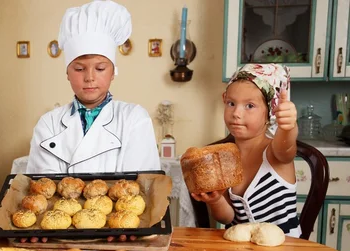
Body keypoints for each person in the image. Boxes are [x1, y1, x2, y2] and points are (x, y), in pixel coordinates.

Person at [26, 0, 160, 175]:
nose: (89, 77)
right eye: (79, 69)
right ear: (67, 72)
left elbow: (141, 188)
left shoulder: (134, 119)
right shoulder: (48, 124)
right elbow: (43, 188)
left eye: (100, 69)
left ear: (113, 72)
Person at [191, 63, 301, 237]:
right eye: (231, 103)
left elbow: (286, 148)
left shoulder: (274, 154)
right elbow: (227, 218)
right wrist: (216, 200)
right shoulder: (224, 158)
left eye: (249, 106)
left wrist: (288, 127)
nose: (236, 113)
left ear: (270, 111)